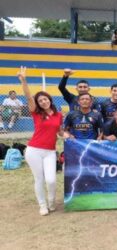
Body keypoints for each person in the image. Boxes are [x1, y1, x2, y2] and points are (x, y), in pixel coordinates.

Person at [18, 66, 63, 216]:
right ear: (38, 103)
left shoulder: (58, 115)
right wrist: (24, 80)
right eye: (40, 100)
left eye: (45, 99)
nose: (43, 102)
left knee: (51, 180)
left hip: (50, 151)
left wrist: (68, 135)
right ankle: (43, 205)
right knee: (39, 179)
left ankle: (51, 201)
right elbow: (28, 96)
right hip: (34, 151)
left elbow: (60, 131)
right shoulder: (36, 113)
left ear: (50, 100)